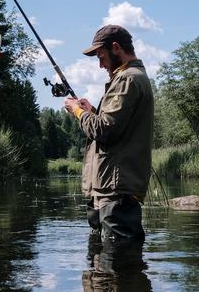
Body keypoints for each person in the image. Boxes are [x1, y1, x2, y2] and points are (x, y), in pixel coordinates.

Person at [64, 24, 154, 243]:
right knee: (102, 266)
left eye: (101, 56)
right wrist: (92, 112)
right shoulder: (130, 78)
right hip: (110, 188)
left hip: (116, 189)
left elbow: (104, 129)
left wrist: (77, 112)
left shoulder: (128, 79)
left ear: (116, 48)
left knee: (117, 265)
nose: (100, 64)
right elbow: (118, 126)